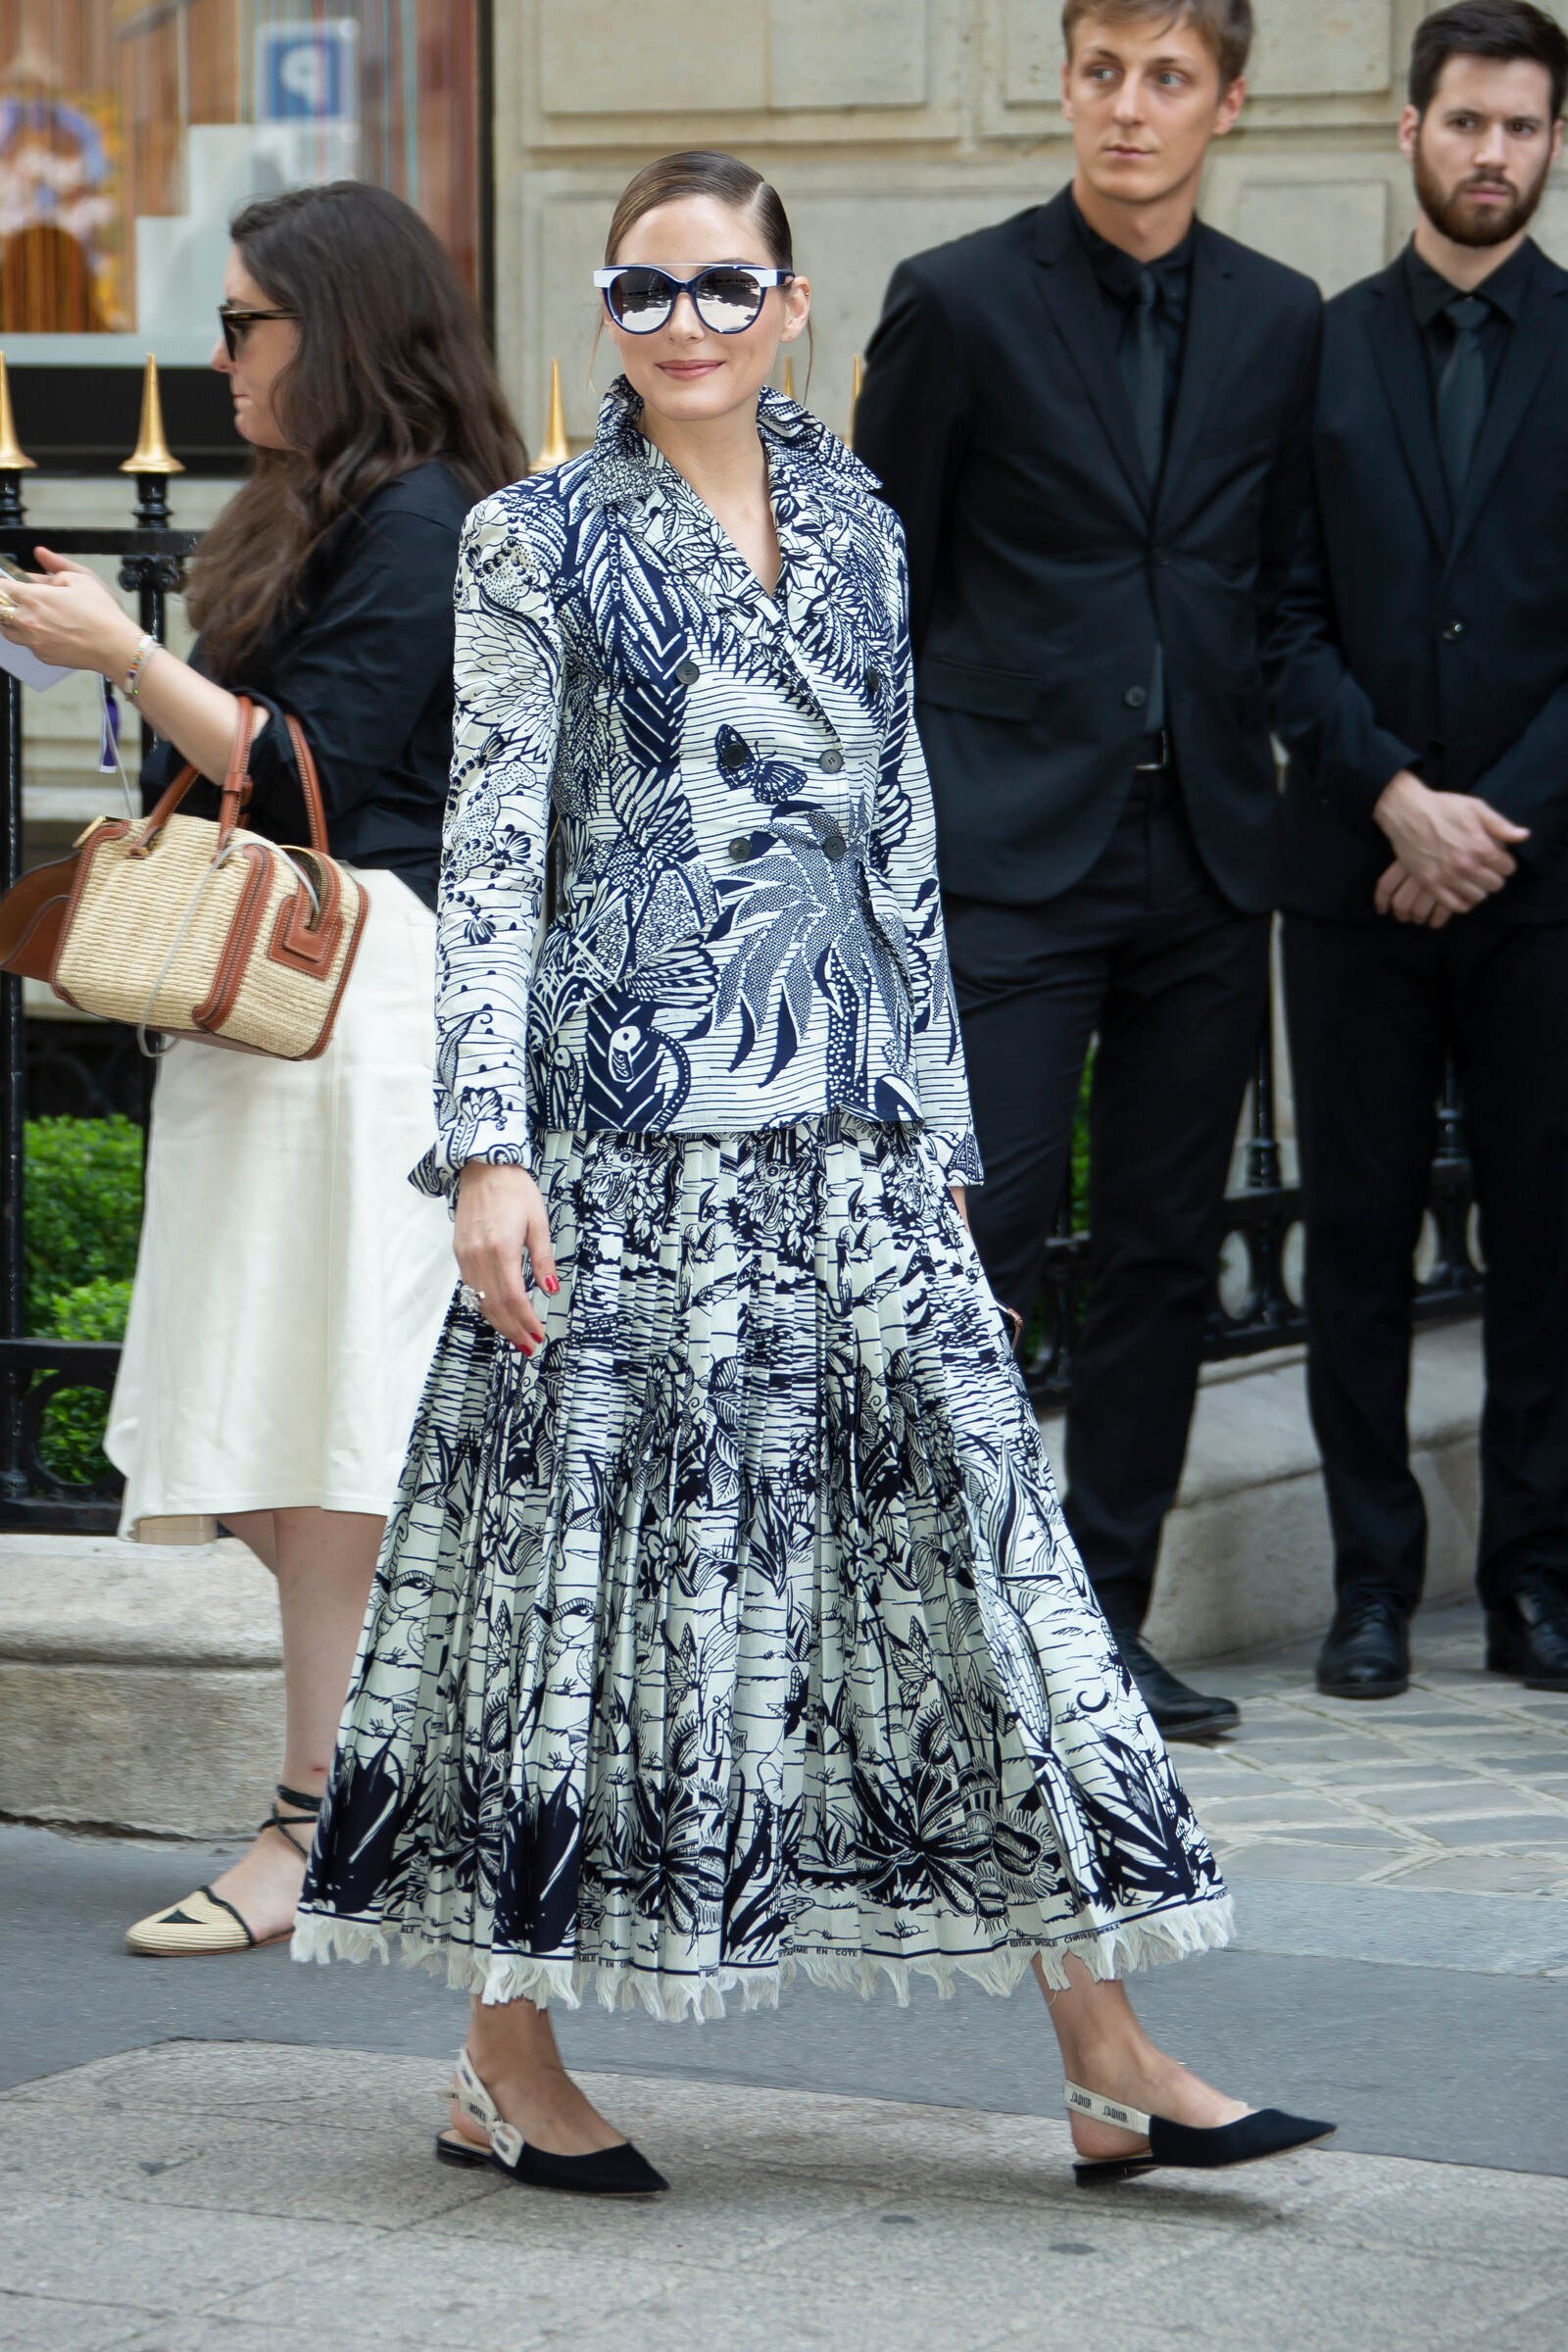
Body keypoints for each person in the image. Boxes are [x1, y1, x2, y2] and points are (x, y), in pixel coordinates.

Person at [293, 147, 1331, 2195]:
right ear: (606, 314)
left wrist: (940, 1130)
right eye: (641, 289)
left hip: (851, 1135)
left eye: (721, 287)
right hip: (624, 1145)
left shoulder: (856, 520)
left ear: (789, 308)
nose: (681, 324)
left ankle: (1110, 2053)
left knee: (990, 1567)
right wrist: (486, 1151)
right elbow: (487, 862)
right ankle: (501, 2055)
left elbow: (898, 835)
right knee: (579, 1597)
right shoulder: (531, 540)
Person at [0, 179, 526, 1952]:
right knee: (280, 1433)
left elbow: (311, 777)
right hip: (271, 1016)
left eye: (246, 322)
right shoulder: (317, 503)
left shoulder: (424, 516)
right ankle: (362, 1804)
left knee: (329, 1433)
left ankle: (316, 1826)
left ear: (340, 326)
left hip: (353, 1009)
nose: (219, 354)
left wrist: (127, 652)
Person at [852, 0, 1321, 1743]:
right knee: (979, 1234)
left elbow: (1278, 573)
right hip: (1010, 849)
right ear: (1066, 85)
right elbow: (876, 583)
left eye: (1169, 79)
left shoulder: (1281, 318)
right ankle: (949, 1626)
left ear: (1226, 105)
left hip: (1205, 850)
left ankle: (1102, 1629)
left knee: (1163, 1248)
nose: (1131, 108)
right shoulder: (959, 298)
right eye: (1104, 72)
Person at [1273, 0, 1568, 1701]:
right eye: (1466, 121)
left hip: (1547, 885)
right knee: (1358, 1244)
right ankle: (1371, 1588)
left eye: (1522, 126)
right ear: (1411, 131)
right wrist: (1396, 797)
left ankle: (1536, 1580)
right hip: (1355, 879)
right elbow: (1281, 616)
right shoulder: (1321, 348)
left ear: (1553, 145)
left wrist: (1489, 828)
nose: (1492, 152)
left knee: (1547, 1246)